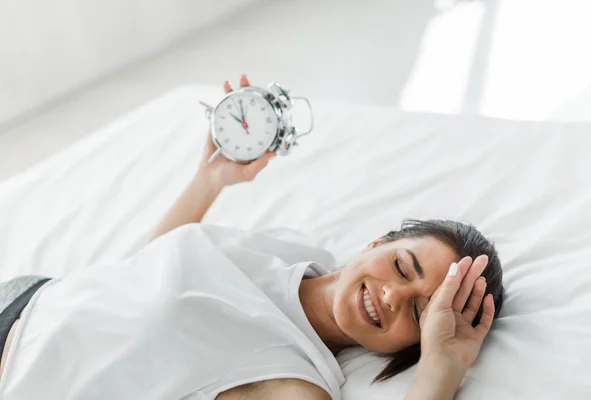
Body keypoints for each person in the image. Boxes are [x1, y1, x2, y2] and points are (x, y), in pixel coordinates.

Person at [0, 75, 504, 400]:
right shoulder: (296, 250)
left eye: (419, 313)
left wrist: (444, 366)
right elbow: (146, 271)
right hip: (28, 296)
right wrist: (212, 180)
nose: (392, 297)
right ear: (378, 243)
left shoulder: (296, 381)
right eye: (401, 267)